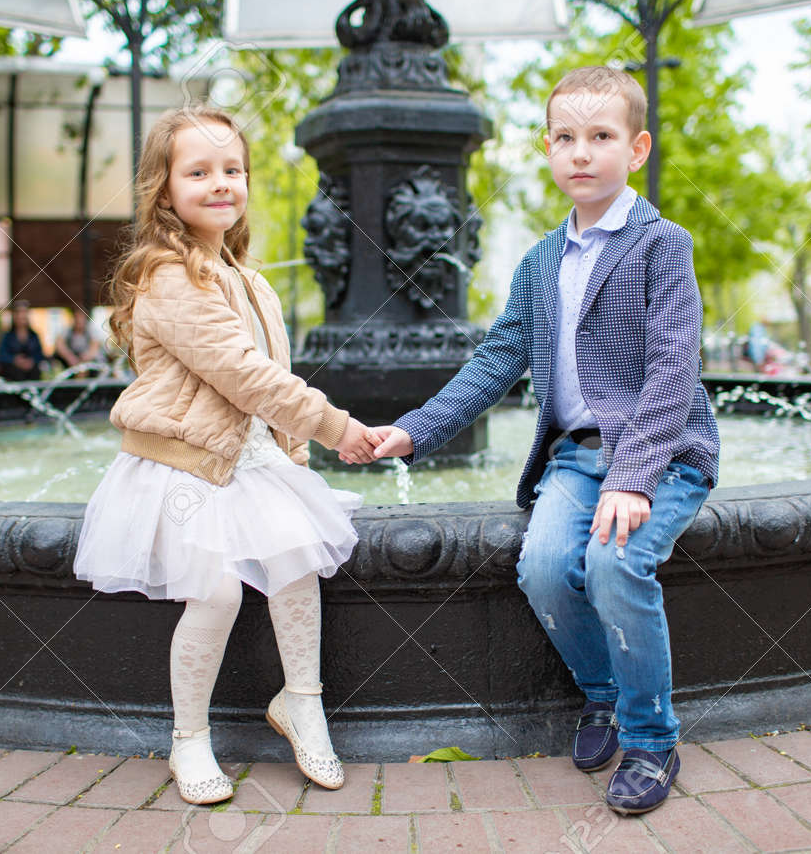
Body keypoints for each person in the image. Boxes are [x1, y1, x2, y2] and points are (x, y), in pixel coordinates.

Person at [363, 67, 719, 816]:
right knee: (547, 566)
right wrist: (414, 428)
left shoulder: (662, 245)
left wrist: (634, 476)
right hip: (575, 458)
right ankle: (603, 695)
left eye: (601, 137)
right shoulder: (540, 262)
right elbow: (496, 360)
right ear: (548, 148)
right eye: (565, 138)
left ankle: (652, 737)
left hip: (660, 454)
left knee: (615, 559)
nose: (581, 152)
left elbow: (672, 371)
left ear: (637, 147)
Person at [71, 105, 382, 806]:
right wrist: (336, 425)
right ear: (165, 187)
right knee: (217, 589)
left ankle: (302, 700)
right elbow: (242, 372)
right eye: (199, 170)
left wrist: (297, 454)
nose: (221, 183)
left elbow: (277, 367)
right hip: (183, 462)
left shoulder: (249, 277)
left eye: (232, 169)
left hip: (248, 459)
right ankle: (188, 737)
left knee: (297, 557)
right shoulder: (168, 275)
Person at [0, 301, 45, 381]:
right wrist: (15, 360)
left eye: (24, 312)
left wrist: (31, 361)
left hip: (32, 373)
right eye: (19, 313)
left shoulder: (33, 336)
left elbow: (40, 355)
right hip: (13, 374)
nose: (21, 316)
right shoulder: (7, 336)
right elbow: (2, 355)